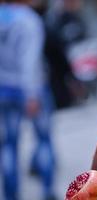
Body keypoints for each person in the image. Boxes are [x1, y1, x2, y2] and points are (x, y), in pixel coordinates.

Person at [0, 0, 55, 199]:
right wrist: (31, 93)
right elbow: (29, 60)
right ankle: (48, 191)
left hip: (4, 90)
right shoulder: (28, 20)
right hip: (32, 89)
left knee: (7, 145)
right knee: (43, 140)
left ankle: (10, 194)